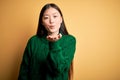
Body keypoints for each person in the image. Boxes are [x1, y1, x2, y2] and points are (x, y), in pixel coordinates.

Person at [18, 3, 76, 80]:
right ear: (42, 22)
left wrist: (54, 43)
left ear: (61, 19)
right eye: (46, 18)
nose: (51, 21)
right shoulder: (33, 41)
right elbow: (24, 71)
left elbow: (58, 69)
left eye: (55, 16)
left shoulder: (70, 40)